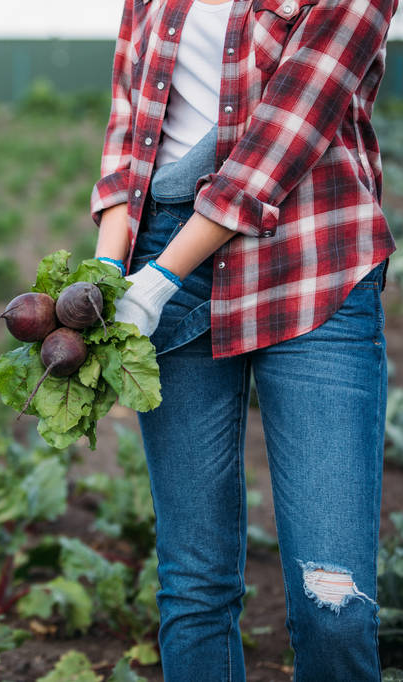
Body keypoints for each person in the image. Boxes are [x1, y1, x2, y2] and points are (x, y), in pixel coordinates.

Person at [89, 0, 398, 679]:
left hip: (313, 259)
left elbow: (286, 132)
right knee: (193, 586)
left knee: (333, 605)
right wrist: (110, 268)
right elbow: (128, 126)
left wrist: (160, 279)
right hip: (161, 254)